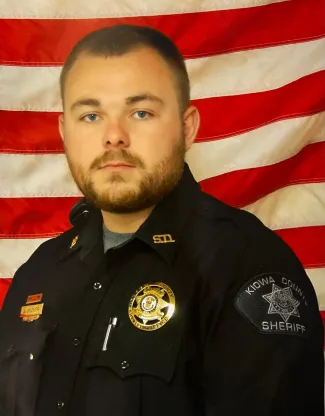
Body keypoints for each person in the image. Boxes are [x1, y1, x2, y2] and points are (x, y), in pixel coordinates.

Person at [0, 24, 323, 416]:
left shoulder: (247, 267)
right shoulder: (40, 273)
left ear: (187, 128)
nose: (114, 136)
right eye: (90, 115)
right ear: (64, 132)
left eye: (141, 112)